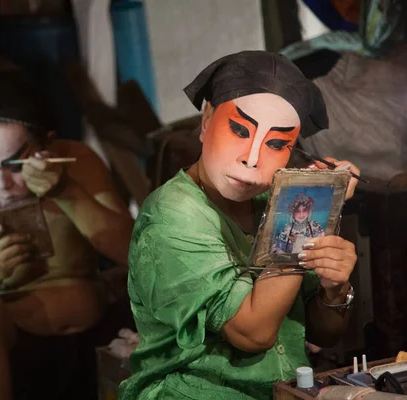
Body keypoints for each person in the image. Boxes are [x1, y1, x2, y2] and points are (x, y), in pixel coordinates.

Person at [119, 51, 360, 400]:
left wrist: (333, 288)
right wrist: (302, 207)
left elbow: (324, 333)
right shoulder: (174, 214)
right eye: (239, 130)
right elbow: (253, 332)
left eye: (276, 144)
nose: (252, 158)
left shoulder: (272, 203)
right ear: (206, 121)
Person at [0, 71, 134, 400]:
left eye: (13, 165)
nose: (1, 184)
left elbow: (135, 254)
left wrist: (67, 193)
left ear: (46, 145)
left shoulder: (77, 162)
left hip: (97, 339)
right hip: (15, 354)